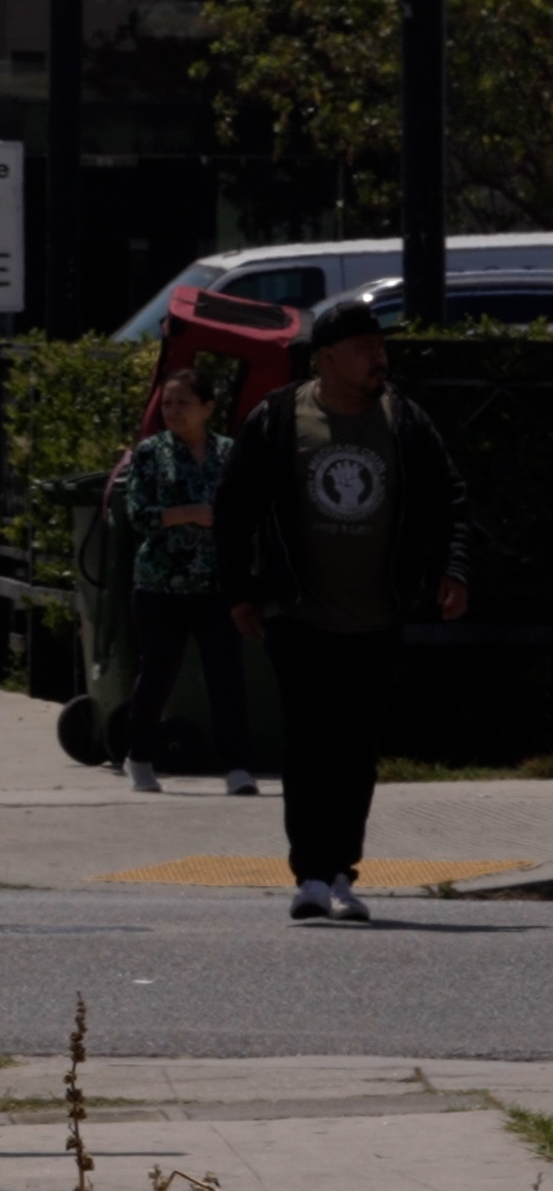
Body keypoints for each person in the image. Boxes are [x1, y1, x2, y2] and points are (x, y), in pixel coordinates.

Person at [212, 297, 472, 923]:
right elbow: (234, 508)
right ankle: (308, 876)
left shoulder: (404, 421)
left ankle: (342, 873)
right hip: (298, 611)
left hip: (378, 614)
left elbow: (450, 499)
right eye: (364, 349)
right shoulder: (278, 420)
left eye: (381, 347)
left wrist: (453, 570)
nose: (379, 359)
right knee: (308, 740)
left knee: (356, 747)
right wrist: (241, 592)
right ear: (326, 358)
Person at [108, 363, 251, 796]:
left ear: (208, 408)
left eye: (183, 403)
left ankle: (238, 768)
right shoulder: (151, 453)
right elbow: (137, 516)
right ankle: (140, 756)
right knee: (158, 675)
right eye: (166, 403)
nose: (173, 411)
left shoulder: (229, 452)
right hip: (160, 585)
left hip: (214, 584)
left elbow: (245, 507)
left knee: (225, 674)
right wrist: (188, 514)